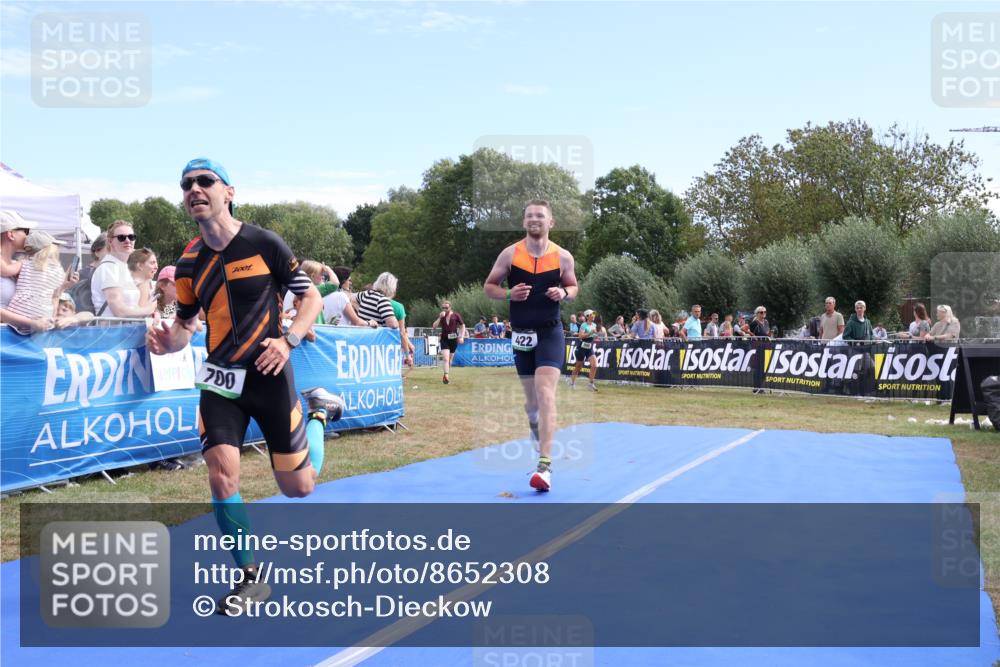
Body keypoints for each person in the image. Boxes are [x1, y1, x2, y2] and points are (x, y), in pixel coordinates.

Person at [146, 158, 343, 615]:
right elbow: (184, 326)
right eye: (186, 185)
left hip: (271, 376)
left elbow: (309, 296)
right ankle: (251, 577)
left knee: (299, 488)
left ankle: (317, 412)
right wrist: (166, 343)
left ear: (228, 191)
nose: (194, 189)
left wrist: (290, 339)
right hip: (220, 382)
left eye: (204, 181)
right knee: (221, 475)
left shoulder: (264, 243)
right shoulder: (189, 263)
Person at [484, 199, 578, 492]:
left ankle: (545, 466)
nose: (535, 219)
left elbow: (574, 287)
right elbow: (489, 287)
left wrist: (563, 292)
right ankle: (536, 425)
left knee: (545, 392)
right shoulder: (510, 254)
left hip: (551, 332)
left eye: (540, 215)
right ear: (524, 222)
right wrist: (510, 294)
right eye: (530, 216)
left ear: (551, 222)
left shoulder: (563, 257)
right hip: (522, 335)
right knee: (532, 405)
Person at [2, 230, 72, 334]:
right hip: (44, 316)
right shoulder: (60, 270)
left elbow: (5, 271)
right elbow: (55, 295)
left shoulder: (25, 263)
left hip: (19, 314)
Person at [91, 220, 157, 318]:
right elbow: (119, 311)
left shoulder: (124, 267)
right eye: (121, 237)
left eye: (131, 237)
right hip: (112, 331)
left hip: (127, 329)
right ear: (110, 241)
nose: (127, 240)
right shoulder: (108, 268)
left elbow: (134, 307)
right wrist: (148, 310)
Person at [1, 209, 37, 309]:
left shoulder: (15, 265)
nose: (27, 236)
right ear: (10, 234)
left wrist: (62, 288)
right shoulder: (18, 265)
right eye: (26, 231)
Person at [432, 300, 465, 384]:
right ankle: (446, 376)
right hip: (444, 339)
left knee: (450, 359)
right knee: (446, 358)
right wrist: (439, 317)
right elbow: (434, 326)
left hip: (454, 339)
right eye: (443, 308)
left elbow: (462, 325)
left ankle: (446, 373)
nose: (445, 309)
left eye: (446, 307)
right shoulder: (441, 316)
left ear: (450, 307)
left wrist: (461, 336)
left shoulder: (456, 315)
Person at [568, 309, 599, 391]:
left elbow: (594, 335)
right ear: (587, 316)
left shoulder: (594, 325)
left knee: (595, 365)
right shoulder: (583, 325)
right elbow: (580, 336)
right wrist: (590, 333)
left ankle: (591, 384)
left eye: (594, 314)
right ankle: (572, 383)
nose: (594, 316)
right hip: (581, 348)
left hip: (589, 348)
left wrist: (596, 335)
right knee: (578, 367)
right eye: (592, 314)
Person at [128, 247, 159, 314]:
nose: (156, 267)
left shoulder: (124, 281)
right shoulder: (143, 284)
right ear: (140, 266)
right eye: (152, 263)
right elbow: (142, 316)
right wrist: (153, 306)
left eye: (156, 263)